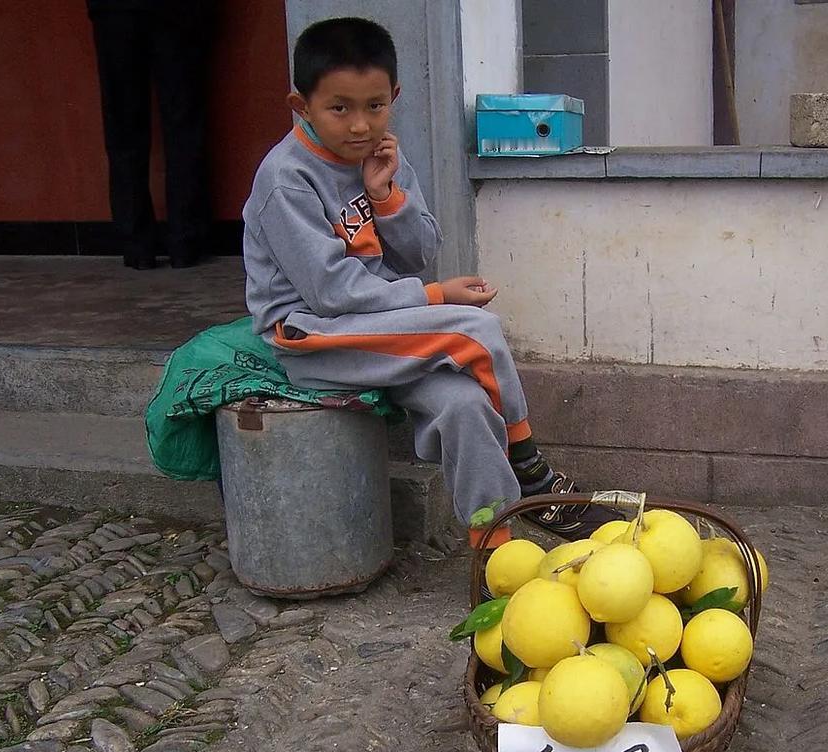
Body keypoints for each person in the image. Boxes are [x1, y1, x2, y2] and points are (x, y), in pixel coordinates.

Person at [243, 17, 617, 548]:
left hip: (378, 330)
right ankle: (534, 473)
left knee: (464, 405)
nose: (359, 126)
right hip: (310, 337)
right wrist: (435, 297)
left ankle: (495, 548)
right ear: (301, 106)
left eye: (374, 106)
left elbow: (420, 252)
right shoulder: (287, 179)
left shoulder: (379, 157)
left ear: (393, 96)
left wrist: (385, 197)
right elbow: (330, 292)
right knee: (475, 330)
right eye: (339, 108)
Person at [87, 0, 212, 270]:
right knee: (183, 124)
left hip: (114, 11)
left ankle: (136, 244)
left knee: (123, 126)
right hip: (178, 11)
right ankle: (185, 242)